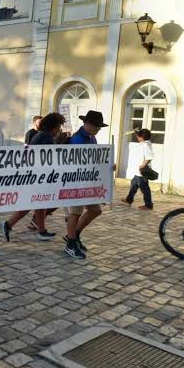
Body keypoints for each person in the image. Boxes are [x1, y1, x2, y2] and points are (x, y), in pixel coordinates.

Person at [0, 112, 66, 242]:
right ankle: (8, 224)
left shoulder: (42, 135)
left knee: (40, 204)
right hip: (37, 177)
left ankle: (41, 231)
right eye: (59, 127)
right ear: (54, 127)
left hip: (35, 175)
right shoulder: (47, 137)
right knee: (31, 204)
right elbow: (51, 157)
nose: (60, 129)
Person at [64, 110, 109, 259]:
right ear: (87, 124)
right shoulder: (77, 139)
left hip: (89, 180)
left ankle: (74, 235)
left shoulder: (91, 138)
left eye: (99, 127)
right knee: (75, 213)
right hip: (77, 181)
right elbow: (77, 161)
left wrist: (107, 164)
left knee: (95, 210)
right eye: (96, 126)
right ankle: (70, 244)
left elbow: (95, 157)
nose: (98, 129)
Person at [122, 128, 154, 211]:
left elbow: (149, 157)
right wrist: (137, 132)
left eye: (138, 136)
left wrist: (143, 165)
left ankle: (148, 205)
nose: (137, 138)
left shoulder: (146, 145)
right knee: (133, 184)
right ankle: (129, 199)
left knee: (145, 188)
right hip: (138, 172)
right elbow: (141, 137)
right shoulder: (146, 142)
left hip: (142, 172)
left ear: (141, 137)